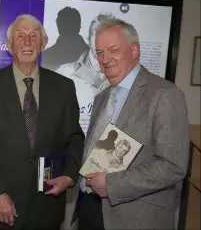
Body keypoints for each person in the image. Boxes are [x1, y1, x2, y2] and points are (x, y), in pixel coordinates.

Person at [0, 14, 85, 230]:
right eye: (20, 36)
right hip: (2, 207)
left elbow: (75, 138)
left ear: (44, 43)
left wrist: (69, 175)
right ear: (9, 45)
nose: (28, 42)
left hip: (47, 207)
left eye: (34, 35)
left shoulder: (64, 87)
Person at [74, 15, 190, 230]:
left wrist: (111, 184)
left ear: (135, 51)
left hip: (135, 217)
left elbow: (173, 166)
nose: (105, 59)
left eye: (113, 50)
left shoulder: (165, 94)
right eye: (99, 53)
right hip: (90, 209)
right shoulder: (102, 97)